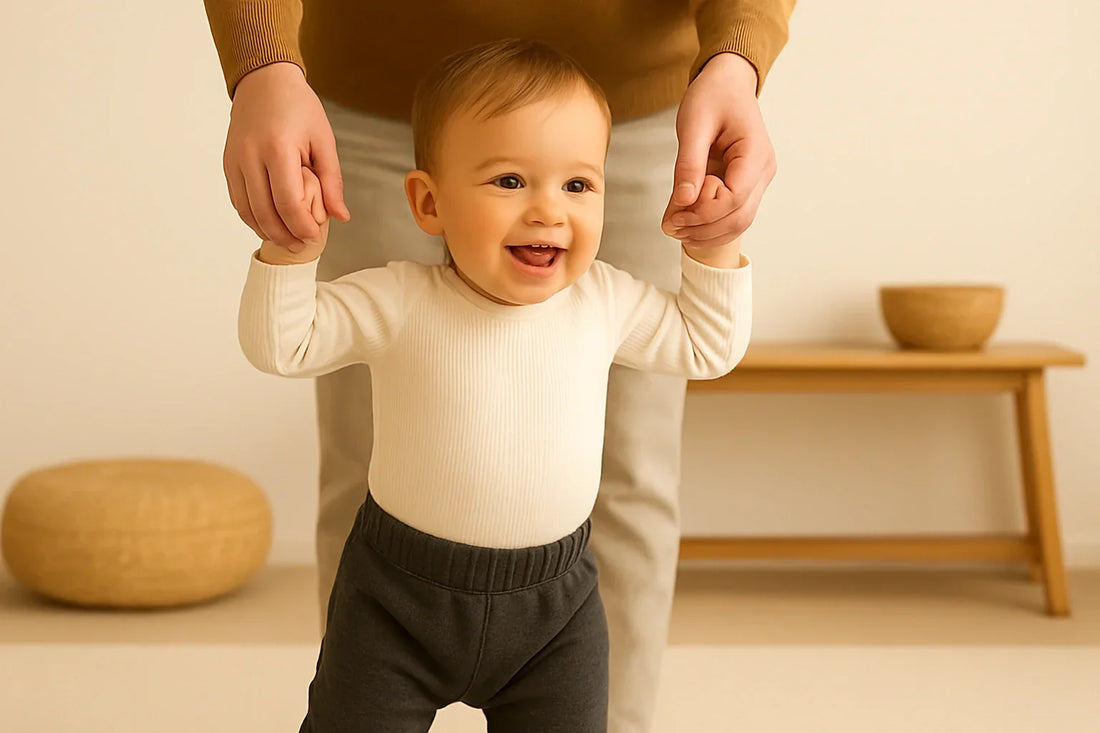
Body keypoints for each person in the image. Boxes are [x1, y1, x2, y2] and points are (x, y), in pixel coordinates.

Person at [205, 3, 793, 730]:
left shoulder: (606, 301)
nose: (548, 210)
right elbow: (281, 345)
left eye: (578, 186)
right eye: (510, 182)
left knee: (637, 480)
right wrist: (289, 255)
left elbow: (706, 347)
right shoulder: (396, 298)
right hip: (393, 606)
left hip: (557, 619)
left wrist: (712, 250)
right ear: (429, 202)